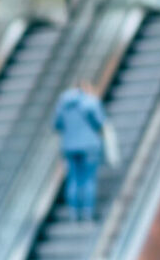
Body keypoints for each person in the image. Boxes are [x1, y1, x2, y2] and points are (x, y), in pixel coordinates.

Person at [54, 80, 107, 223]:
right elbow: (101, 122)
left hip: (70, 147)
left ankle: (74, 213)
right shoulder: (91, 102)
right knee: (89, 179)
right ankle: (88, 213)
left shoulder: (62, 104)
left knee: (73, 180)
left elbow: (57, 125)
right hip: (89, 146)